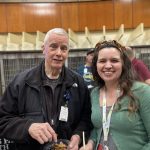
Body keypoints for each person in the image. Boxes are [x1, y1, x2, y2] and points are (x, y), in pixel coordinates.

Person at [0, 28, 93, 150]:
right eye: (53, 47)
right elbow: (3, 119)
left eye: (64, 48)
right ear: (43, 49)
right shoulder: (21, 83)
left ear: (68, 52)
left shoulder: (78, 83)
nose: (59, 53)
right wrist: (28, 127)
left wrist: (78, 135)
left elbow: (86, 119)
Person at [80, 40, 150, 150]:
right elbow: (98, 127)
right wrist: (90, 144)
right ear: (96, 65)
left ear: (123, 64)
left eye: (114, 60)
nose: (108, 66)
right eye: (102, 61)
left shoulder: (142, 92)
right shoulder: (95, 93)